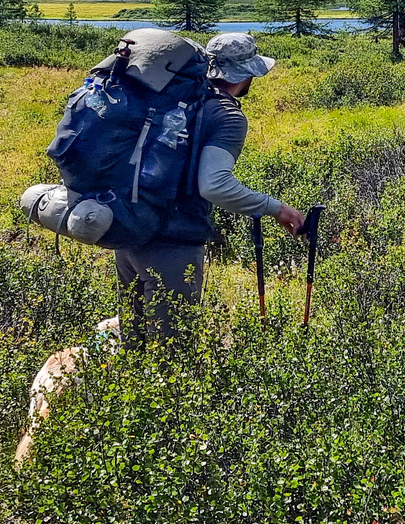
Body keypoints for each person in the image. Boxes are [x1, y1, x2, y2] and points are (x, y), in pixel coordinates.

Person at [115, 31, 308, 343]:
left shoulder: (174, 98)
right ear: (246, 74)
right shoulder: (227, 114)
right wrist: (277, 209)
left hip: (128, 231)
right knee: (172, 356)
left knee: (133, 349)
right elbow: (214, 185)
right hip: (172, 245)